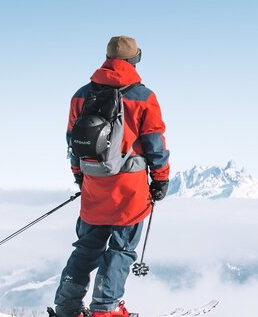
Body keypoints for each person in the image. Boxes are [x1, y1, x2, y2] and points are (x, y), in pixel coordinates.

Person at [51, 36, 171, 317]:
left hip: (94, 185)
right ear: (135, 60)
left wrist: (79, 175)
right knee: (121, 249)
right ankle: (106, 309)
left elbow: (73, 140)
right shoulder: (143, 96)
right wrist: (160, 179)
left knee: (86, 246)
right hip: (129, 188)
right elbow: (154, 141)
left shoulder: (82, 94)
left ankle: (67, 307)